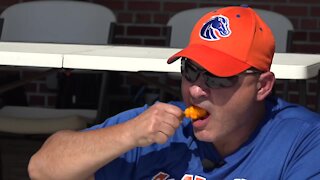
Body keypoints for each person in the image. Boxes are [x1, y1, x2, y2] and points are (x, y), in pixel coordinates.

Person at [28, 5, 320, 180]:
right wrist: (127, 134)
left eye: (217, 78)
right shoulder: (153, 129)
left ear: (262, 86)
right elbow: (42, 169)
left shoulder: (303, 140)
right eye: (190, 70)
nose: (195, 89)